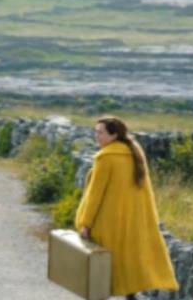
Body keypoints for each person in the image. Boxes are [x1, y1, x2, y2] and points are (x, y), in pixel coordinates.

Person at [75, 116, 179, 299]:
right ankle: (131, 295)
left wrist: (85, 223)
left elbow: (95, 195)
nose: (96, 136)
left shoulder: (105, 158)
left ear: (114, 135)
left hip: (107, 223)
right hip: (133, 220)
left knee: (102, 268)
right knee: (128, 262)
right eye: (95, 132)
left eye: (100, 132)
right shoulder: (135, 153)